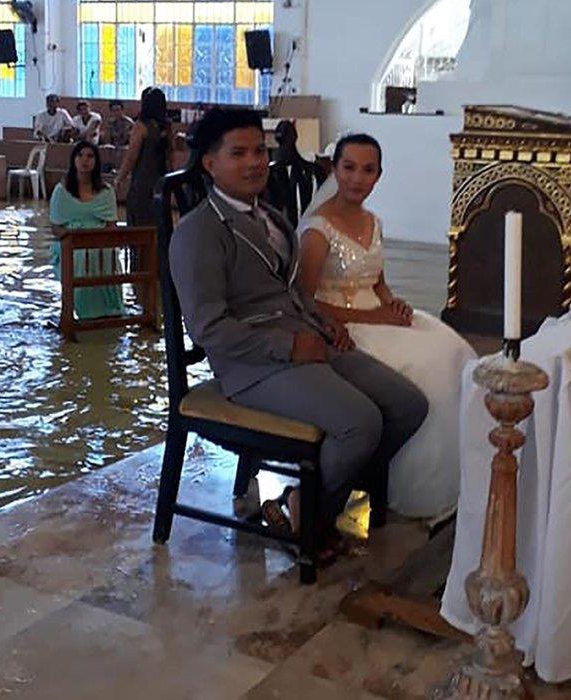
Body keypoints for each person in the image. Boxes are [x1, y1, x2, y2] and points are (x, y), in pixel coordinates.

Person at [169, 108, 428, 562]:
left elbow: (289, 291)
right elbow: (208, 327)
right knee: (360, 421)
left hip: (307, 338)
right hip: (251, 365)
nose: (254, 162)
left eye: (259, 151)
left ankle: (308, 503)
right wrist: (287, 345)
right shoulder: (198, 233)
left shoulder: (270, 215)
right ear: (210, 163)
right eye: (239, 153)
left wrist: (322, 321)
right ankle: (312, 519)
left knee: (408, 405)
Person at [298, 134, 476, 519]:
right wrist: (373, 317)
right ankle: (398, 480)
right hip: (342, 328)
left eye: (368, 170)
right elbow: (305, 301)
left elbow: (376, 281)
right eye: (348, 168)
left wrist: (391, 302)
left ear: (379, 176)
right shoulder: (317, 229)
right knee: (427, 371)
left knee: (456, 352)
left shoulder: (373, 221)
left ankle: (452, 478)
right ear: (334, 169)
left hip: (376, 316)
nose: (357, 179)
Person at [49, 141, 124, 320]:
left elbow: (111, 225)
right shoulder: (62, 190)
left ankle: (108, 310)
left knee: (109, 254)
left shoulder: (106, 191)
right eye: (80, 155)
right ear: (73, 160)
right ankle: (81, 310)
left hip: (100, 240)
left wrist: (96, 239)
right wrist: (73, 237)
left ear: (96, 161)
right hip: (70, 242)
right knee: (81, 256)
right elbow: (56, 228)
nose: (84, 160)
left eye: (90, 156)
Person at [116, 87, 170, 225]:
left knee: (139, 218)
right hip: (161, 178)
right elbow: (171, 156)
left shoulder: (141, 126)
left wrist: (119, 178)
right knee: (158, 219)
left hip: (143, 179)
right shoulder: (166, 126)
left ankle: (138, 246)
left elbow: (131, 156)